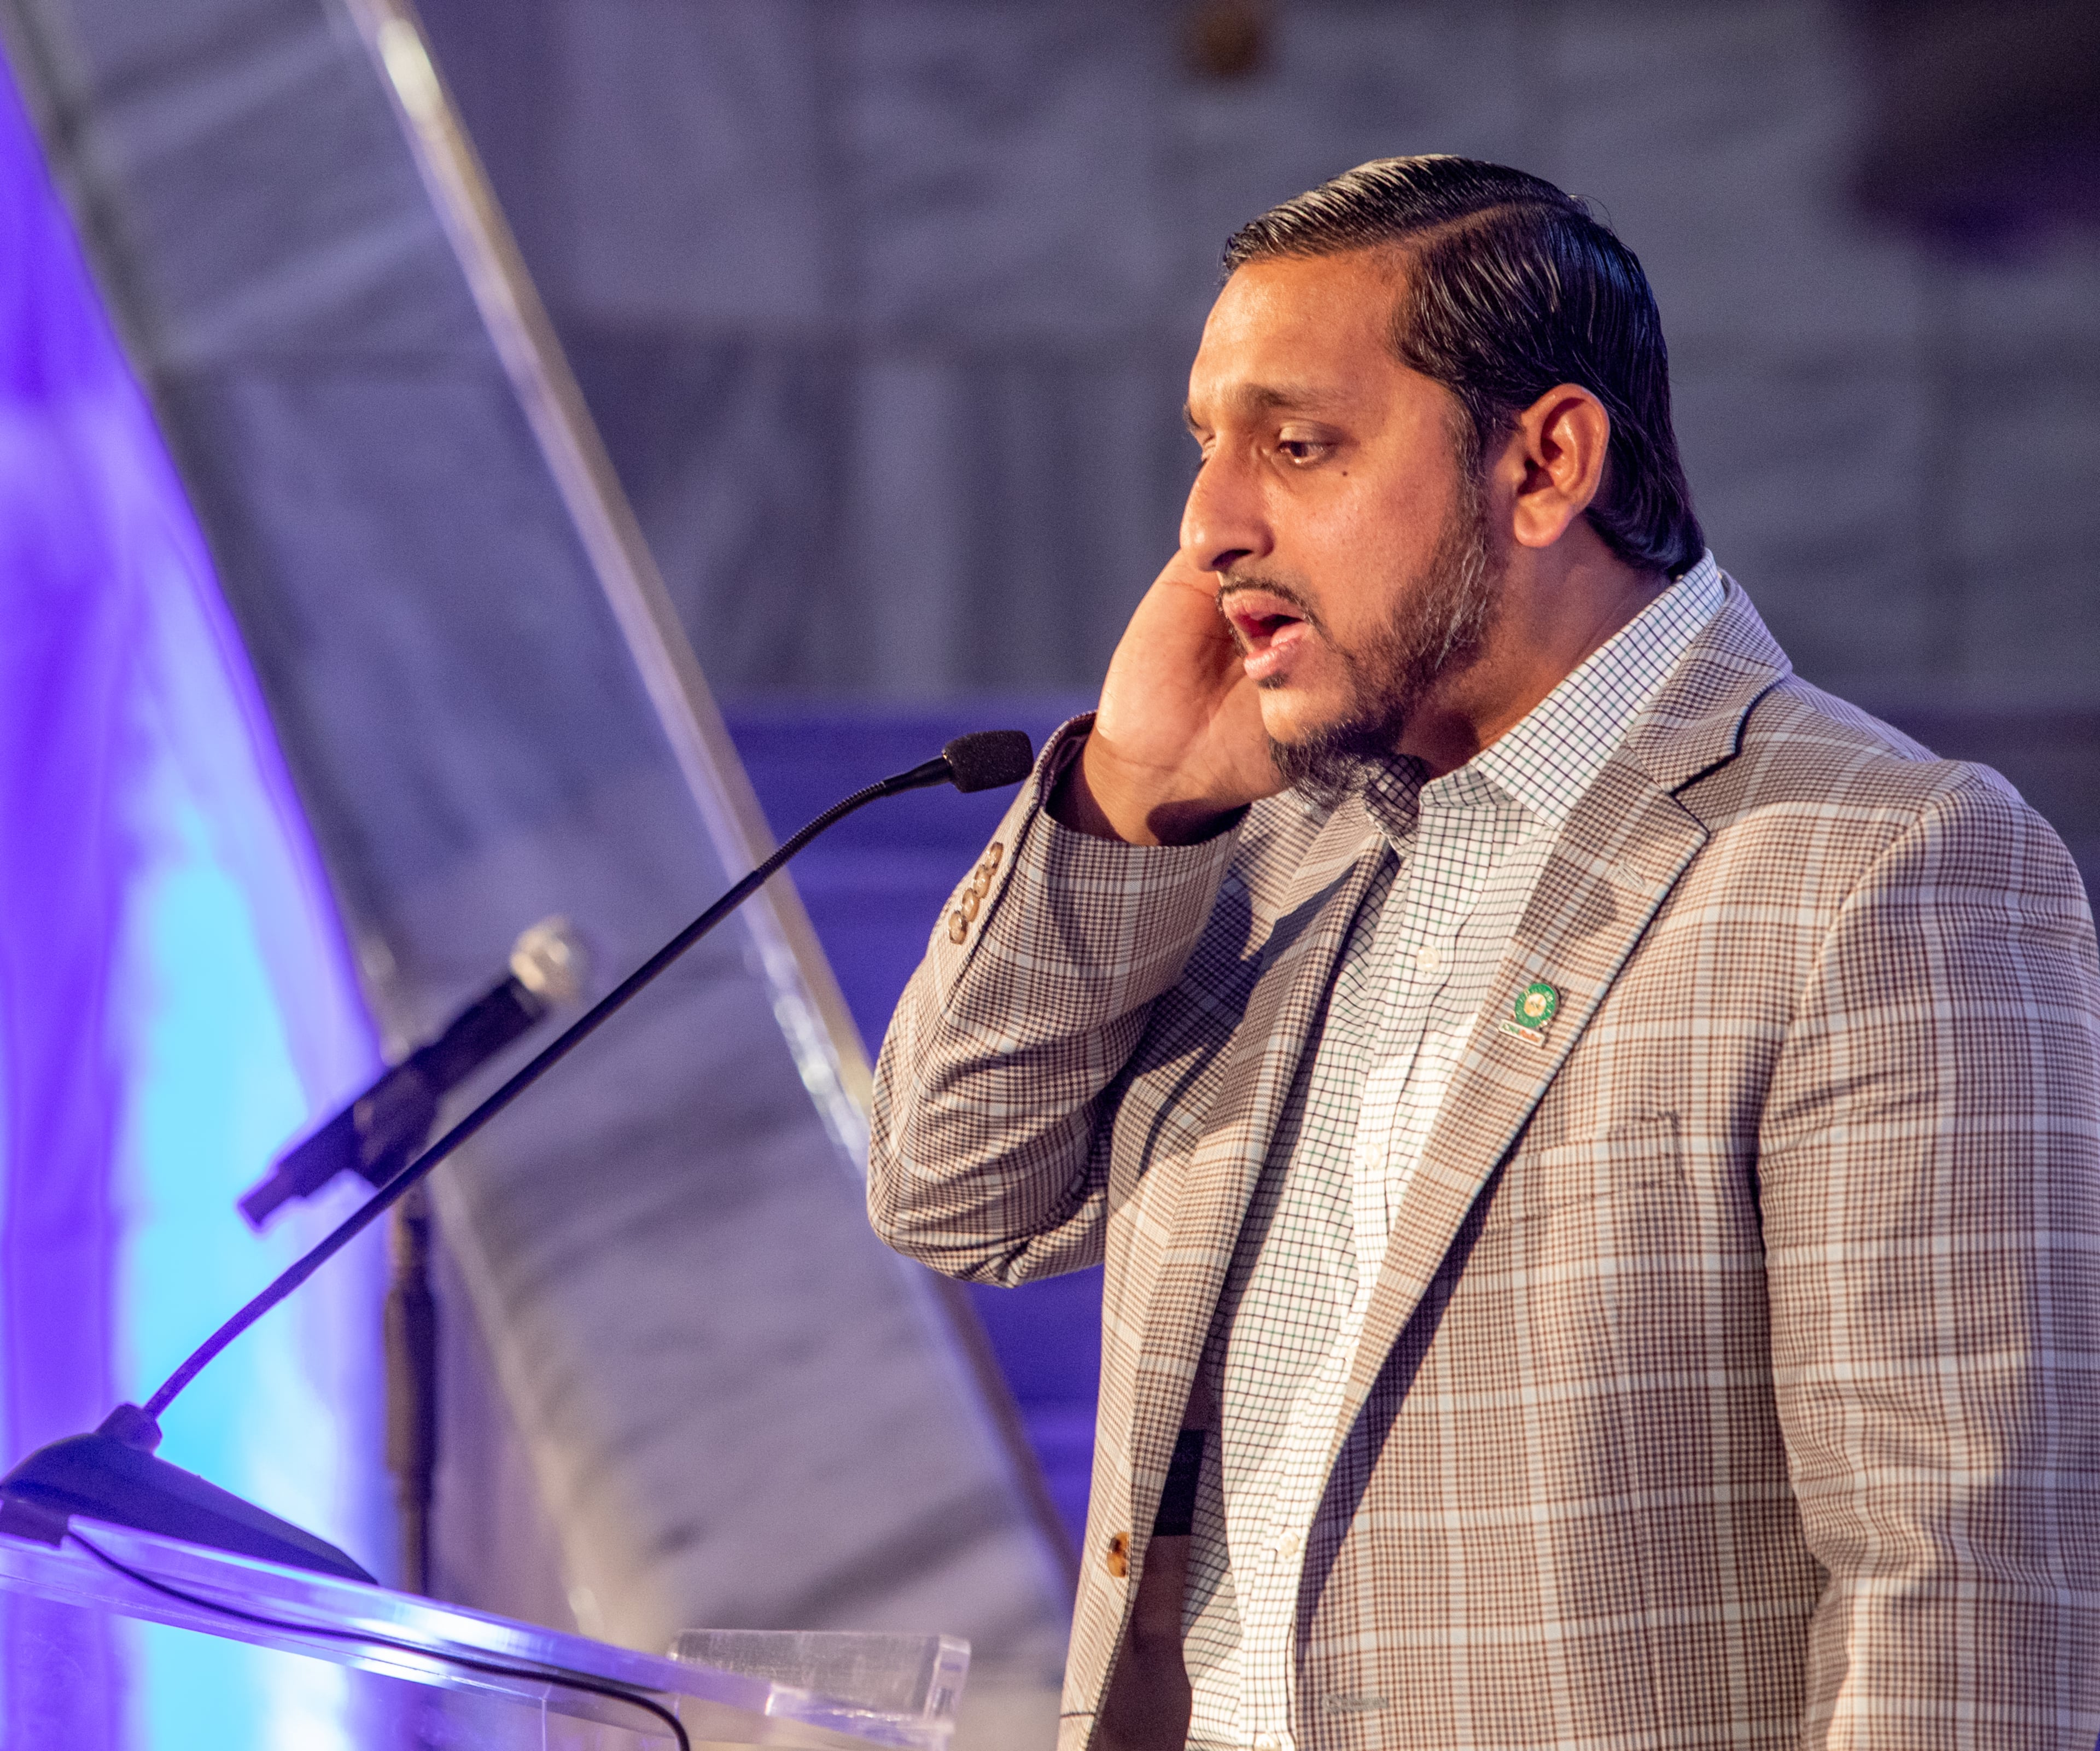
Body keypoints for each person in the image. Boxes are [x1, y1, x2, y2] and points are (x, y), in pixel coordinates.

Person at [866, 157, 2100, 1749]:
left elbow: (1967, 1580)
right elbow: (950, 1189)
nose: (1208, 523)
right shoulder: (1263, 835)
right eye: (1208, 447)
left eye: (1297, 445)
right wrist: (1122, 805)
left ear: (1546, 462)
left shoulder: (1877, 862)